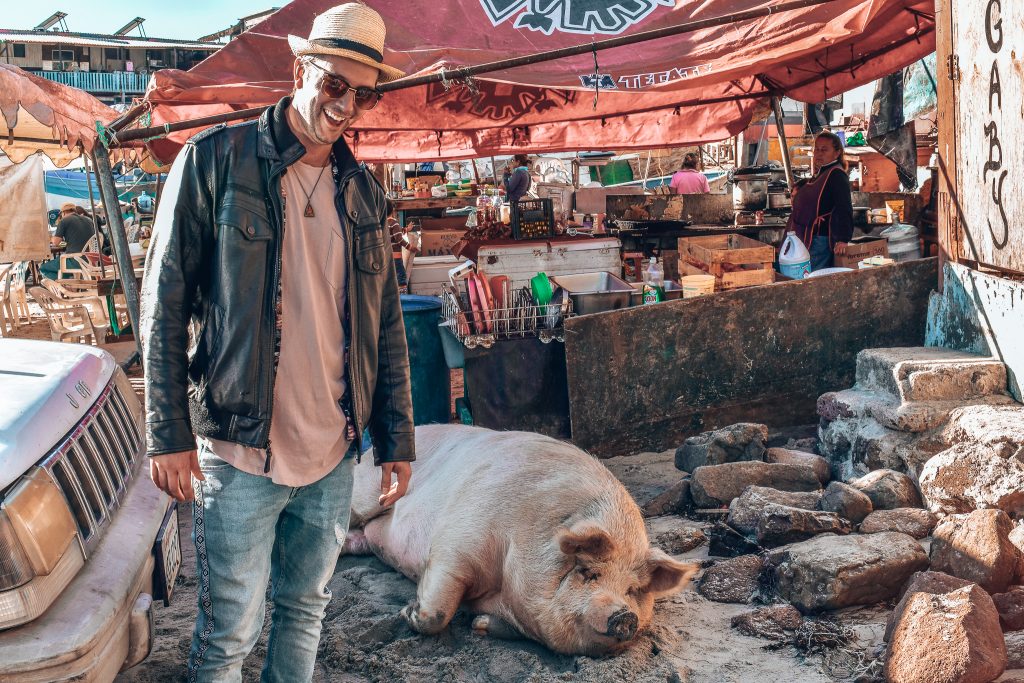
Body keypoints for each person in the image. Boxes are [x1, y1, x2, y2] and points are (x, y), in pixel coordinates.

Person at [139, 4, 415, 680]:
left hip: (330, 453)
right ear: (300, 70)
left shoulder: (363, 192)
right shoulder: (215, 161)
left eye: (361, 90)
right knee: (228, 632)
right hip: (238, 452)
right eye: (333, 82)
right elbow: (164, 300)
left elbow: (386, 324)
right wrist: (167, 430)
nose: (344, 103)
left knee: (305, 610)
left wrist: (396, 438)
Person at [787, 131, 853, 270]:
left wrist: (843, 239)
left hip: (820, 239)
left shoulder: (837, 174)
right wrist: (801, 185)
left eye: (824, 150)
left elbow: (844, 207)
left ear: (837, 153)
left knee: (811, 277)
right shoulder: (822, 172)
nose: (819, 153)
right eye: (817, 149)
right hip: (808, 236)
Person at [39, 203, 96, 279]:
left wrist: (51, 238)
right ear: (74, 210)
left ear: (63, 212)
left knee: (44, 268)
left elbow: (56, 243)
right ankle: (69, 284)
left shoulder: (64, 221)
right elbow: (74, 241)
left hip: (75, 260)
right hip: (91, 259)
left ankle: (63, 286)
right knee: (61, 269)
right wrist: (64, 243)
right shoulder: (89, 220)